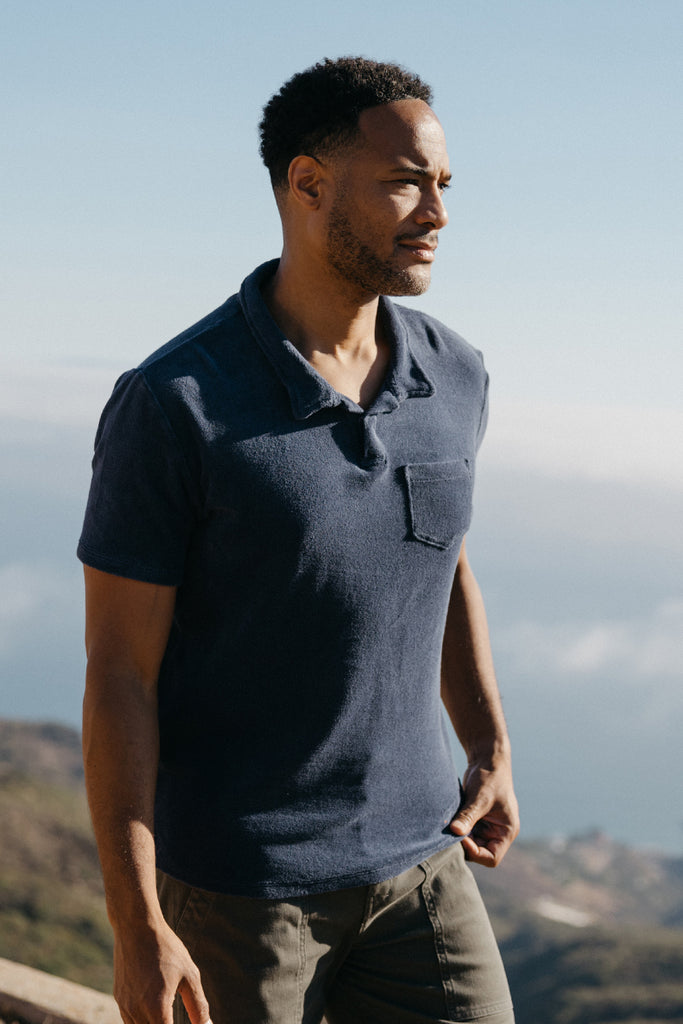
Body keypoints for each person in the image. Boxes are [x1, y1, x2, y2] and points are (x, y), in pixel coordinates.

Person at [79, 56, 519, 1024]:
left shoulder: (455, 373)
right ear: (308, 183)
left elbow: (439, 558)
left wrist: (487, 743)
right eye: (404, 181)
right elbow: (118, 674)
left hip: (423, 864)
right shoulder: (174, 403)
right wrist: (136, 919)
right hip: (240, 894)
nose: (436, 213)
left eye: (442, 185)